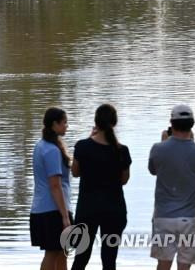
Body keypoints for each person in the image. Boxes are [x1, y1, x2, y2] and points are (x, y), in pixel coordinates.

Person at [149, 105, 195, 270]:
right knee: (184, 267)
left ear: (171, 123)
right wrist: (192, 141)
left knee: (163, 265)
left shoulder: (158, 149)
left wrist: (164, 143)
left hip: (163, 217)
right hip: (191, 218)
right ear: (192, 124)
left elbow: (153, 170)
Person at [71, 104, 131, 270]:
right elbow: (124, 180)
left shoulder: (82, 146)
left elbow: (75, 172)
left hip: (87, 209)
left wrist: (89, 138)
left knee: (81, 258)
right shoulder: (122, 150)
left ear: (96, 122)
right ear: (114, 123)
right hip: (114, 209)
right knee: (109, 260)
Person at [30, 107, 73, 270]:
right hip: (53, 210)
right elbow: (55, 185)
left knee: (61, 252)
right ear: (55, 124)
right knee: (53, 253)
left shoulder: (40, 145)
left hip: (44, 208)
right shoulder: (52, 150)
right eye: (64, 123)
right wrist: (65, 217)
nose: (66, 126)